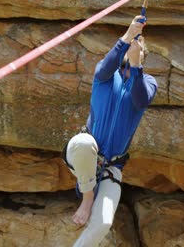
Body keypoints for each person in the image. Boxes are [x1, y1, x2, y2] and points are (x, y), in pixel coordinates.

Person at [62, 15, 157, 246]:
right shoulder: (105, 76)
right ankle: (87, 197)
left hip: (111, 167)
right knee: (85, 143)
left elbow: (141, 98)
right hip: (84, 154)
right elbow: (106, 66)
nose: (135, 49)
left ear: (144, 57)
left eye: (139, 49)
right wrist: (127, 36)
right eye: (132, 47)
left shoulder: (148, 83)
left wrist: (136, 67)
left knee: (103, 222)